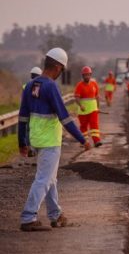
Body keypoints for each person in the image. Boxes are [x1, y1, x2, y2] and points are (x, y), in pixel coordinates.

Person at [18, 47, 91, 232]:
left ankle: (55, 215)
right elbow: (65, 118)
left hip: (36, 139)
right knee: (44, 179)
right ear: (58, 66)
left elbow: (22, 117)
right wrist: (82, 139)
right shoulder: (51, 86)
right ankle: (28, 217)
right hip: (50, 141)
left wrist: (22, 142)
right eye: (62, 69)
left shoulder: (30, 86)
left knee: (51, 179)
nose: (61, 73)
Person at [74, 66, 102, 147]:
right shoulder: (79, 85)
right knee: (83, 127)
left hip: (93, 109)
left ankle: (96, 141)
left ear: (90, 75)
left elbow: (97, 97)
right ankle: (84, 142)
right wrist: (81, 105)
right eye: (85, 75)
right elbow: (76, 97)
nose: (87, 76)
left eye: (88, 75)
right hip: (83, 111)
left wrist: (98, 108)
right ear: (82, 76)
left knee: (94, 125)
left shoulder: (94, 84)